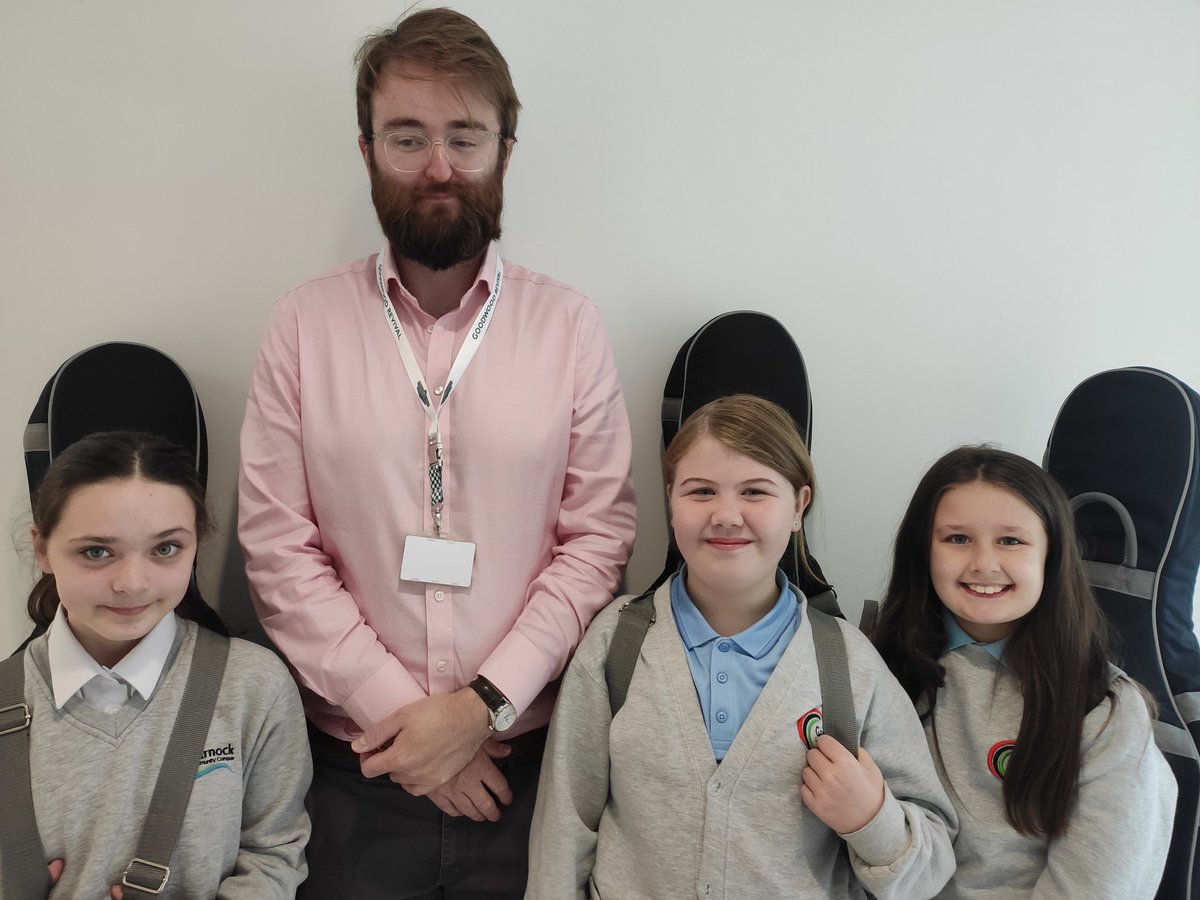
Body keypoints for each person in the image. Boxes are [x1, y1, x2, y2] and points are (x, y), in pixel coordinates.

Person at [237, 7, 636, 897]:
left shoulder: (569, 326)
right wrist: (412, 731)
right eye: (408, 137)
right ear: (367, 149)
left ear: (506, 148)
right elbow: (275, 548)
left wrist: (477, 710)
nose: (440, 167)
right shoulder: (302, 326)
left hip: (530, 777)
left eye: (465, 135)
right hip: (352, 779)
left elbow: (597, 541)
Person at [526, 395, 956, 899]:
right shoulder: (615, 644)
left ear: (799, 506)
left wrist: (870, 819)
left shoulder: (849, 666)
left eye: (755, 491)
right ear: (671, 500)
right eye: (701, 491)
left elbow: (931, 867)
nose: (726, 515)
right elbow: (562, 834)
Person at [3, 431, 310, 899]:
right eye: (96, 552)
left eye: (165, 548)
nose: (133, 583)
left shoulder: (253, 686)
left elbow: (275, 852)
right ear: (42, 549)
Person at [873, 446, 1178, 898]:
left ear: (1051, 556)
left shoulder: (1104, 709)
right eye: (957, 538)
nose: (983, 563)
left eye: (1010, 540)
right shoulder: (878, 669)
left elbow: (1100, 886)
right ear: (924, 550)